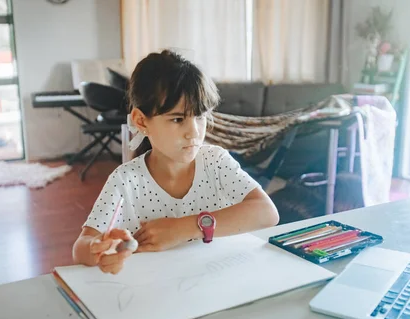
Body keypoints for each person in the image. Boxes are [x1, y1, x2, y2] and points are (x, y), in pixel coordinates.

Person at [72, 49, 279, 274]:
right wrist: (98, 249)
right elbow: (80, 248)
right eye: (178, 119)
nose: (194, 132)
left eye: (199, 117)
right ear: (141, 121)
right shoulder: (126, 180)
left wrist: (185, 227)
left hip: (216, 283)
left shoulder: (215, 161)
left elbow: (267, 212)